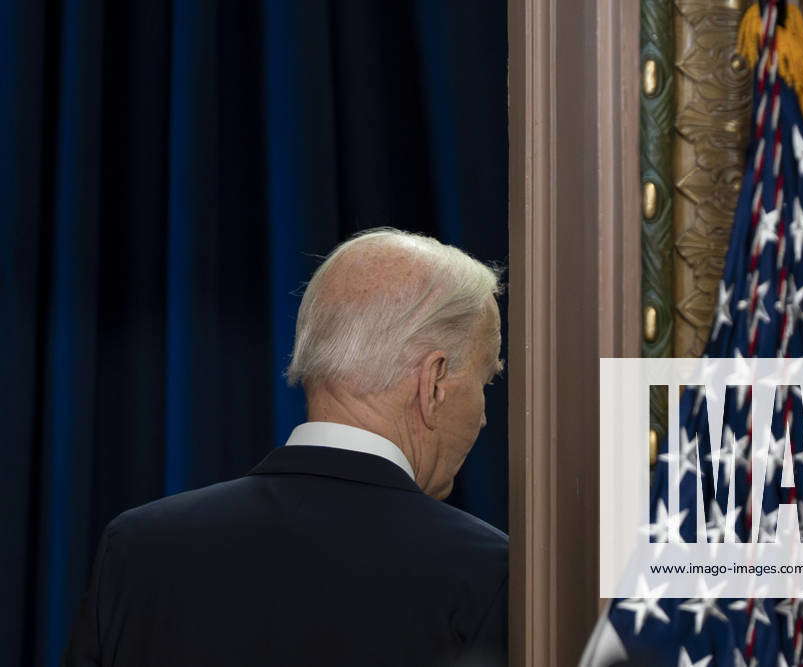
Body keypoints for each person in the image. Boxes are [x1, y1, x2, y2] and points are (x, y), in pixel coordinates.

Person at [65, 228, 508, 666]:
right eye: (485, 380)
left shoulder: (136, 547)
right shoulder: (489, 573)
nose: (485, 414)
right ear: (432, 383)